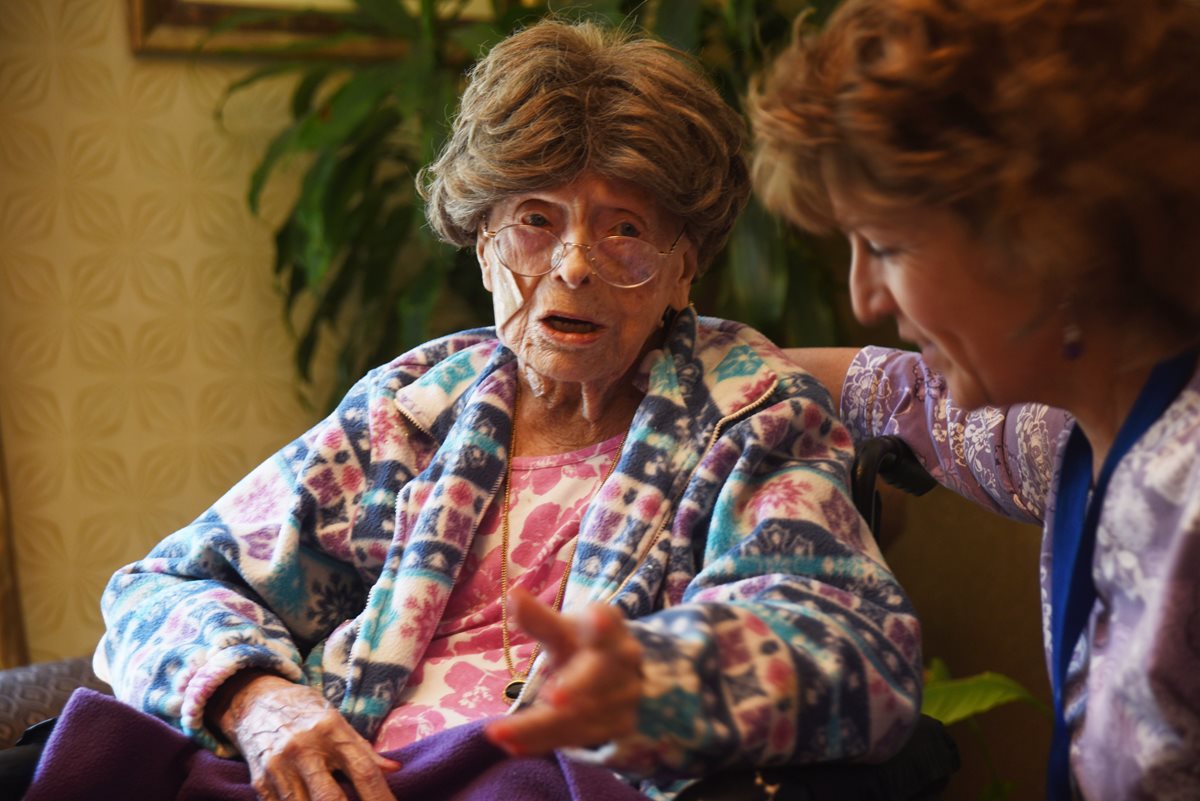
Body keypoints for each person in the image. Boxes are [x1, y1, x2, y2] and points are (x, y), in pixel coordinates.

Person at [88, 19, 923, 801]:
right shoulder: (413, 410)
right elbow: (161, 588)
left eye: (624, 228)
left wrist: (660, 679)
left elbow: (858, 649)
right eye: (535, 219)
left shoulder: (747, 416)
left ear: (683, 267)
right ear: (483, 241)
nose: (574, 266)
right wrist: (261, 701)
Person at [748, 1, 1200, 799]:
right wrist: (705, 361)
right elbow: (902, 395)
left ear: (1047, 231)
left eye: (885, 246)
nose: (861, 296)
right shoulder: (1077, 429)